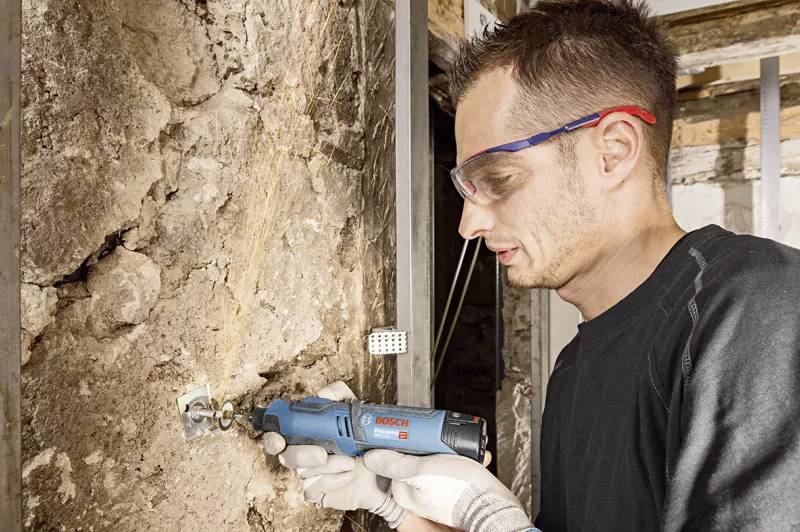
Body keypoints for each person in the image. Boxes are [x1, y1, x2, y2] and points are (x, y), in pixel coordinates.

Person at [263, 1, 800, 530]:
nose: (467, 224)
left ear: (613, 150)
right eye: (467, 188)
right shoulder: (572, 371)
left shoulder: (758, 309)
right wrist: (393, 501)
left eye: (497, 178)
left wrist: (496, 523)